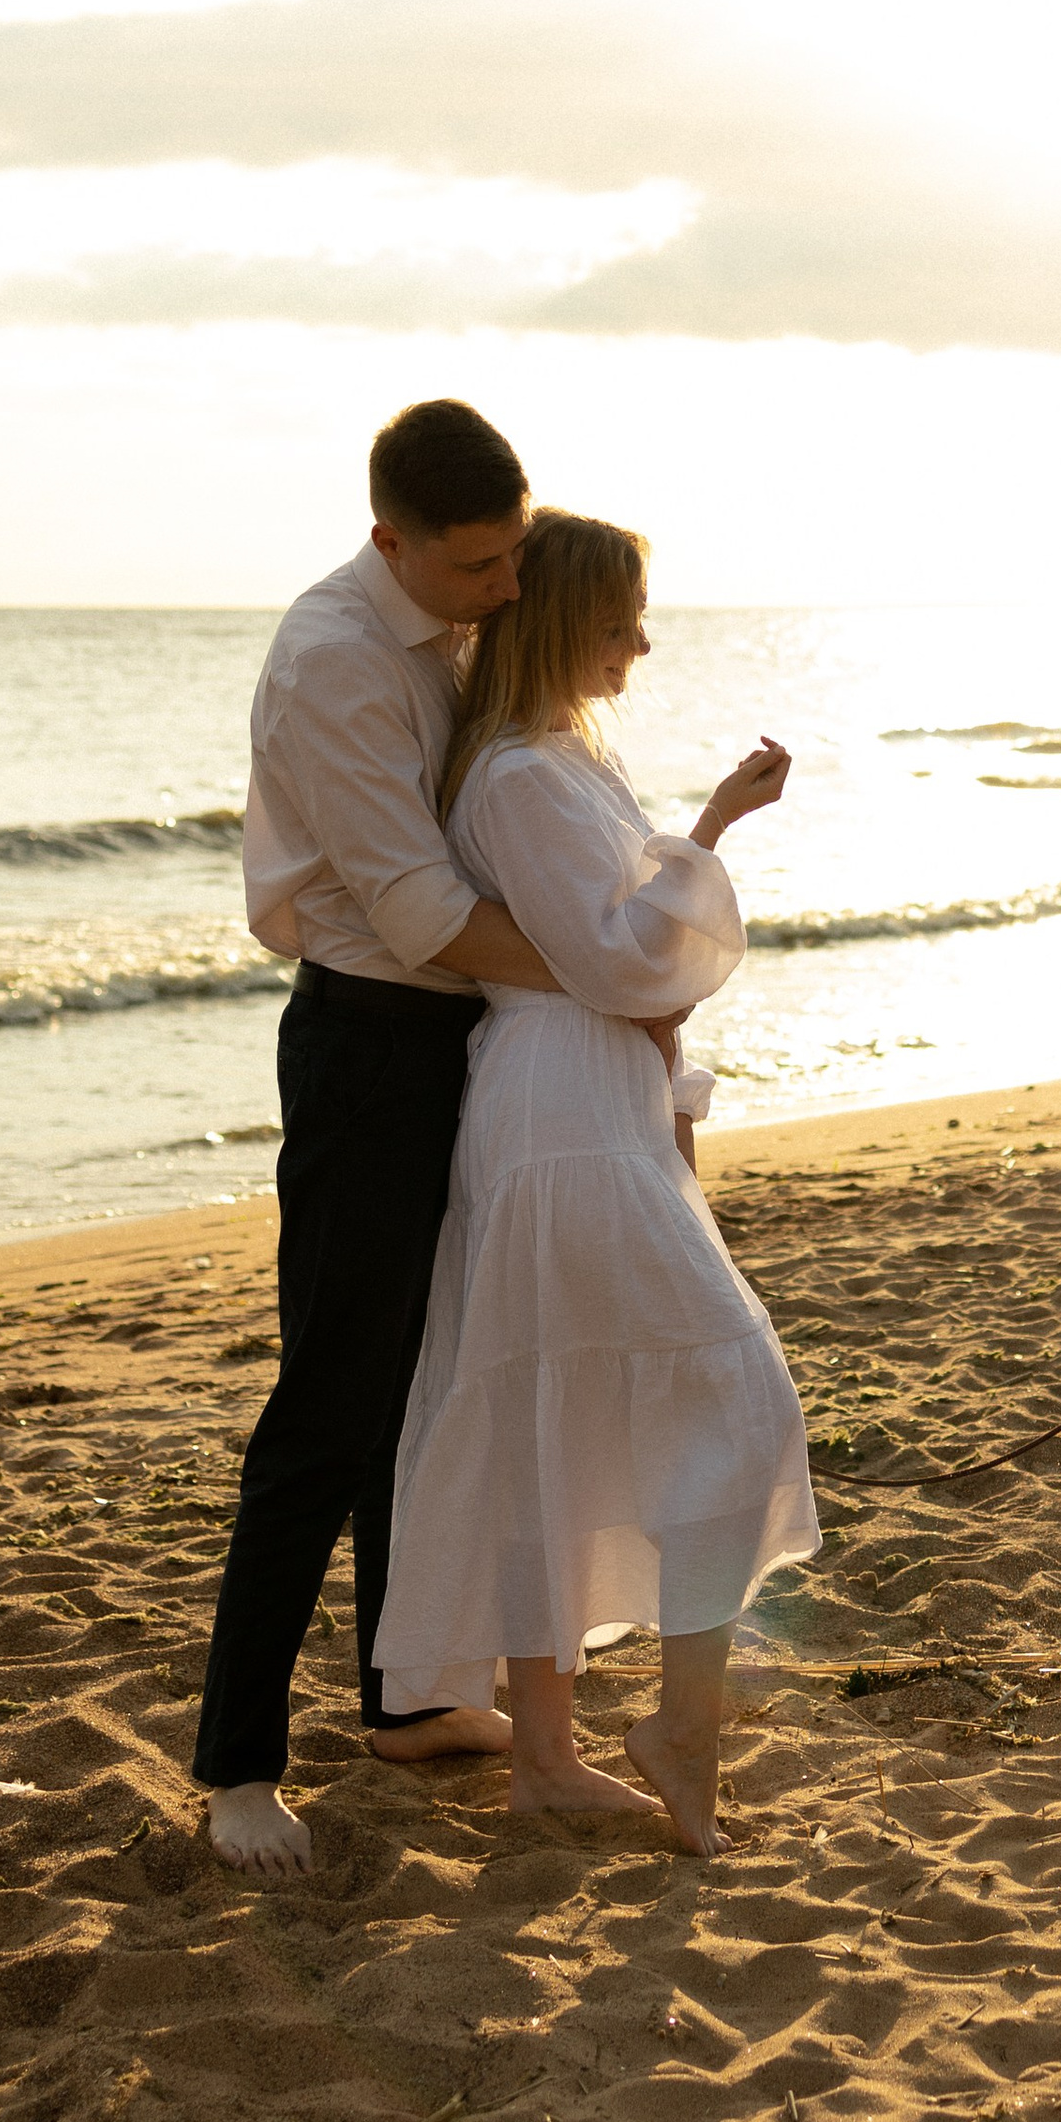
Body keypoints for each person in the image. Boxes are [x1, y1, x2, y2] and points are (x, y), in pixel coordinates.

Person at [193, 401, 663, 1882]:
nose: (510, 589)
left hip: (462, 1037)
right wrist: (612, 975)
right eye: (479, 568)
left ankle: (403, 1701)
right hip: (367, 1046)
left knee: (439, 1372)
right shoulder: (335, 661)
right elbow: (418, 912)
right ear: (391, 538)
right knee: (331, 1403)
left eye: (517, 555)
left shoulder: (469, 614)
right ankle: (235, 1768)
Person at [372, 509, 817, 1854]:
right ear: (567, 619)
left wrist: (672, 1094)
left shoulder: (560, 757)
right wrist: (717, 828)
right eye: (622, 617)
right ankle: (672, 1734)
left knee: (554, 1418)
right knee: (733, 1395)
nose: (640, 639)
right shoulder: (512, 773)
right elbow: (621, 966)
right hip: (558, 1115)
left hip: (590, 1105)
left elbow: (619, 961)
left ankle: (552, 1758)